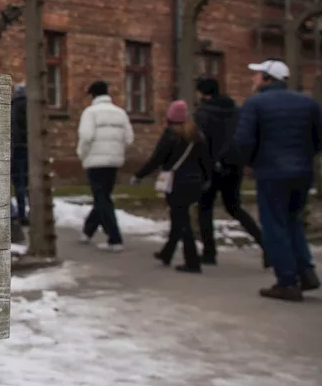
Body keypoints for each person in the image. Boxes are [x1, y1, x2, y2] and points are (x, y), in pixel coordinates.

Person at [233, 60, 321, 301]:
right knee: (292, 221)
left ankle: (287, 281)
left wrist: (251, 162)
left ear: (267, 78)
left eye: (257, 75)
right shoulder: (308, 103)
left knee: (274, 225)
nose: (253, 79)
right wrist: (304, 158)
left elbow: (243, 140)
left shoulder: (255, 104)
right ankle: (306, 272)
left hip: (271, 172)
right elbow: (318, 138)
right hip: (302, 172)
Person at [131, 100, 212, 273]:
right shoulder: (197, 135)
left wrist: (139, 175)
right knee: (179, 218)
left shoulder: (170, 136)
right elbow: (206, 161)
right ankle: (167, 253)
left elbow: (157, 159)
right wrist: (206, 179)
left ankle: (192, 262)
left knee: (181, 221)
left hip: (177, 183)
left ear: (170, 117)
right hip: (194, 182)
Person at [194, 77, 264, 265]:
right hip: (234, 163)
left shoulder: (202, 114)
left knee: (205, 208)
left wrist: (201, 166)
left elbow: (202, 143)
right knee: (234, 207)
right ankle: (265, 245)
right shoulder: (236, 111)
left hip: (211, 166)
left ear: (204, 94)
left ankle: (209, 252)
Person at [76, 80, 134, 252]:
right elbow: (129, 138)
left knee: (102, 198)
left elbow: (86, 137)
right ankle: (88, 231)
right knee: (103, 197)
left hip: (95, 161)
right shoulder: (120, 113)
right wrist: (117, 150)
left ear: (93, 95)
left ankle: (115, 238)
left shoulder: (90, 113)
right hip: (114, 161)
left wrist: (82, 154)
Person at [11, 82, 30, 226]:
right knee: (29, 182)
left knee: (19, 183)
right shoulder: (31, 108)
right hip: (29, 148)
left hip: (15, 148)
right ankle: (33, 212)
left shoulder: (11, 108)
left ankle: (21, 213)